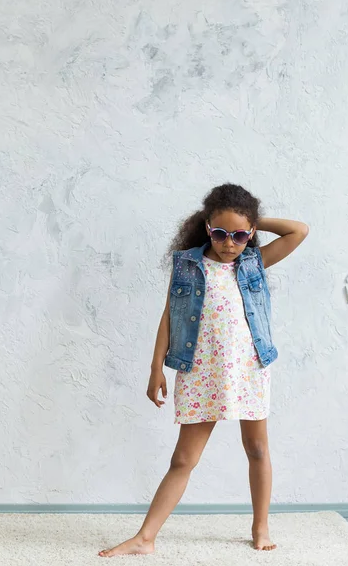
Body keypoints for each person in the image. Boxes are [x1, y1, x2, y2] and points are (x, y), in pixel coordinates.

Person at [99, 183, 309, 557]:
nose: (230, 243)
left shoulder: (253, 262)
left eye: (241, 235)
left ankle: (260, 526)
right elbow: (169, 317)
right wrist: (156, 368)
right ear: (207, 227)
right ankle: (145, 538)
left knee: (257, 448)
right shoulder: (187, 264)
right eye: (220, 233)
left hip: (247, 369)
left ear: (252, 233)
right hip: (200, 372)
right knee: (183, 459)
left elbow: (299, 230)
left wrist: (256, 222)